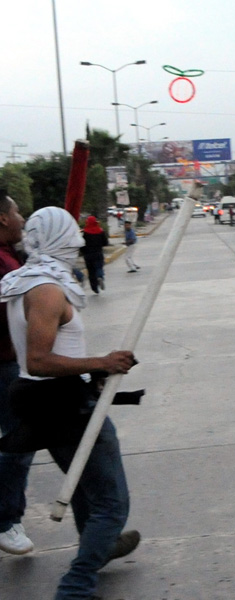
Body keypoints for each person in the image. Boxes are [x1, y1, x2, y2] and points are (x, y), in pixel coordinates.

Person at [0, 207, 140, 599]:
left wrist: (90, 372)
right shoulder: (46, 289)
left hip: (55, 399)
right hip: (64, 405)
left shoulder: (28, 280)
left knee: (83, 490)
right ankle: (75, 587)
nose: (78, 240)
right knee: (111, 503)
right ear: (60, 238)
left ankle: (100, 546)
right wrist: (102, 362)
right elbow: (38, 360)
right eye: (71, 233)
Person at [0, 191, 32, 556]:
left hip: (13, 361)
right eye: (17, 212)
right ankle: (5, 520)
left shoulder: (10, 255)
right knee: (20, 440)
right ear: (3, 218)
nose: (22, 218)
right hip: (4, 364)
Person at [81, 216, 108, 294]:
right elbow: (105, 242)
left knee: (91, 271)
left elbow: (81, 244)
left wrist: (83, 251)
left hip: (88, 255)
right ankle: (100, 276)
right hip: (98, 253)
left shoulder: (84, 232)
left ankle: (94, 288)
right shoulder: (100, 231)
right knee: (99, 267)